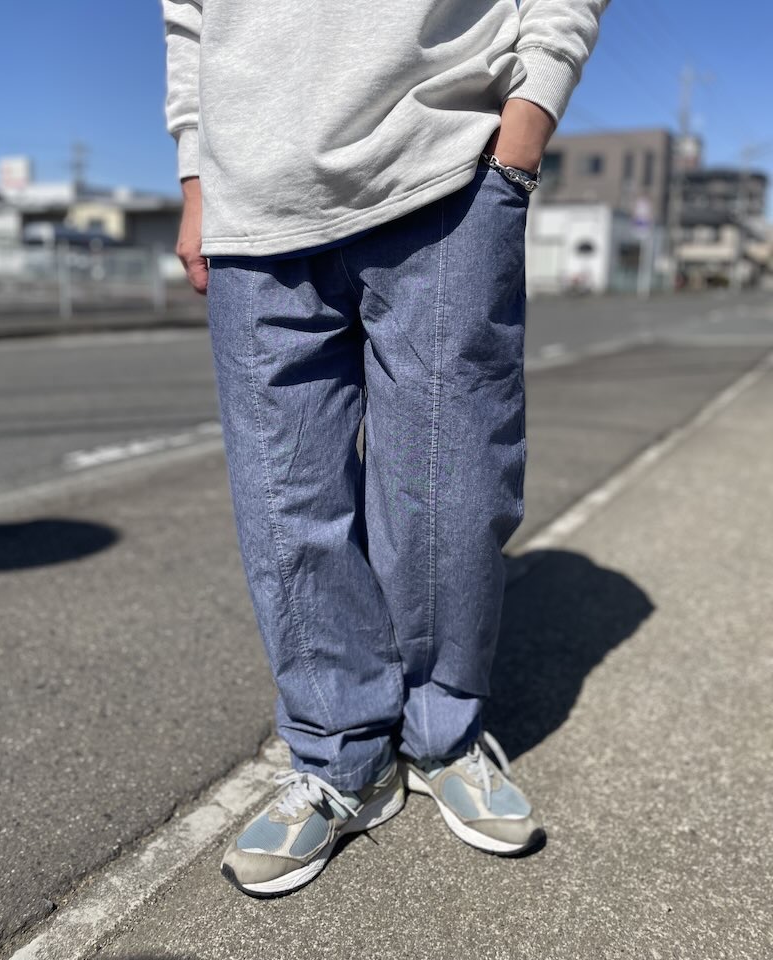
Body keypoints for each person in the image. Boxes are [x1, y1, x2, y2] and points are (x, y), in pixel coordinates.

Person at [161, 0, 608, 898]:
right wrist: (197, 177)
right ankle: (341, 755)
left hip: (443, 165)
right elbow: (188, 17)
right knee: (285, 504)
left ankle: (442, 735)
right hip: (253, 195)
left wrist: (527, 120)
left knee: (452, 492)